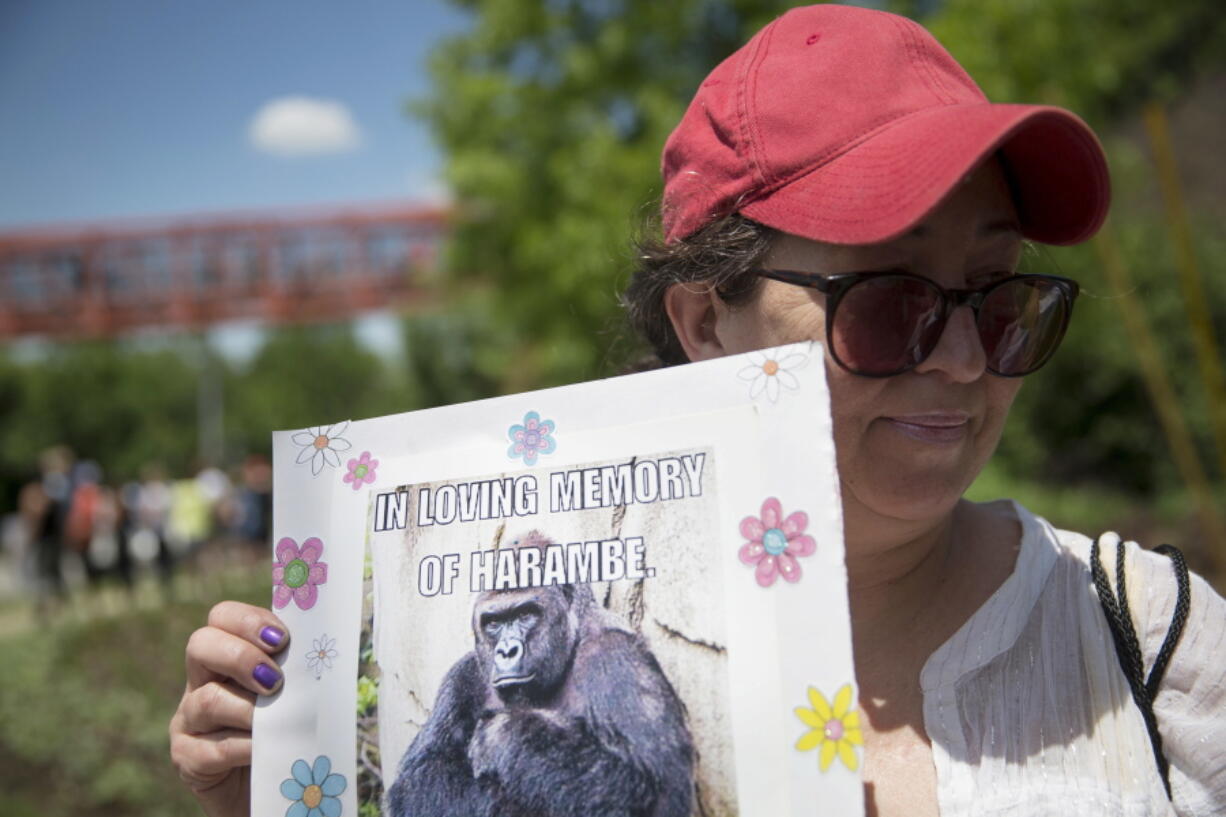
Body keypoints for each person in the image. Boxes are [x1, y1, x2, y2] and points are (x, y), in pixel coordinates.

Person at [170, 5, 1226, 816]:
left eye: (1001, 296)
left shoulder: (1145, 637)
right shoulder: (579, 635)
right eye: (889, 299)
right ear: (704, 322)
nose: (960, 360)